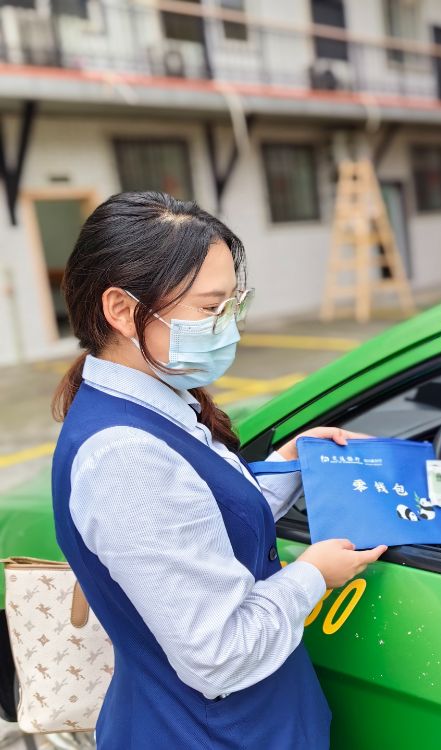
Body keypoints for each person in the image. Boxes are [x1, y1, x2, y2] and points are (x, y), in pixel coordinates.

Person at [51, 192, 387, 749]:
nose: (228, 326)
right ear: (119, 309)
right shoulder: (123, 457)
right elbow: (219, 653)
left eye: (233, 304)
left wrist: (288, 465)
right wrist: (313, 574)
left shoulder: (158, 403)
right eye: (209, 309)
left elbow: (202, 526)